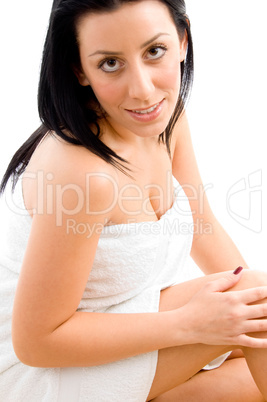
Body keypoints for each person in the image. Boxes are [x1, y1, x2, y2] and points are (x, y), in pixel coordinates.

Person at [0, 0, 267, 401]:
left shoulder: (165, 120)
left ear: (181, 41)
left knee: (252, 335)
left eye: (154, 51)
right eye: (110, 63)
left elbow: (200, 223)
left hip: (129, 321)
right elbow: (37, 343)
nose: (142, 90)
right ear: (79, 69)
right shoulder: (83, 174)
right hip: (48, 371)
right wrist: (189, 324)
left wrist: (250, 305)